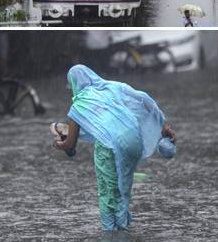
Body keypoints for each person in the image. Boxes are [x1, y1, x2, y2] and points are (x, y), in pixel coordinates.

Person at [53, 65, 177, 231]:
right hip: (134, 140)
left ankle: (111, 237)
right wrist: (163, 127)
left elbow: (70, 145)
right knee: (122, 191)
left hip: (110, 146)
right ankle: (123, 231)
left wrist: (58, 144)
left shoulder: (79, 105)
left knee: (108, 192)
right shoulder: (111, 87)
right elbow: (143, 100)